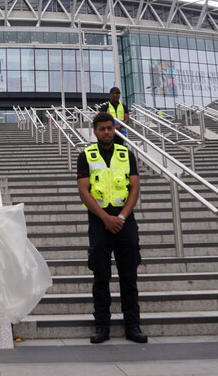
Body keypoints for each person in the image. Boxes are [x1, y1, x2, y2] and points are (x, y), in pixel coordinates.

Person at [77, 112, 146, 345]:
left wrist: (122, 217)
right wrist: (106, 218)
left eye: (110, 128)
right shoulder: (86, 155)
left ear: (114, 129)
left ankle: (132, 325)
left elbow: (134, 188)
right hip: (99, 221)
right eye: (102, 129)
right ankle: (102, 326)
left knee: (129, 276)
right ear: (94, 131)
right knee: (101, 275)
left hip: (125, 221)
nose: (107, 132)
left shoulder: (127, 154)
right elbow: (84, 191)